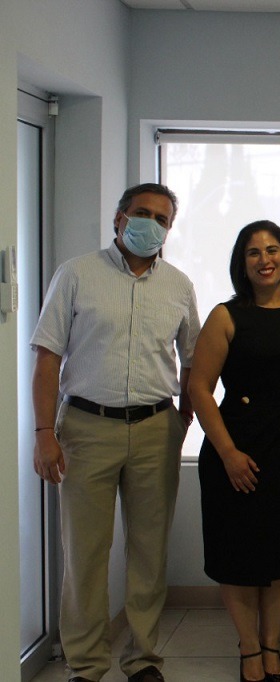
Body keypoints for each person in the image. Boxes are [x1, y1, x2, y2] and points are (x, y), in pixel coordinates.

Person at [30, 183, 199, 682]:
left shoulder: (179, 285)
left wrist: (182, 420)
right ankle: (86, 664)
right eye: (142, 213)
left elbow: (193, 362)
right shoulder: (76, 274)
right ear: (119, 218)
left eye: (162, 219)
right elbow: (47, 359)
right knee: (84, 554)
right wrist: (43, 433)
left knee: (149, 551)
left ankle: (143, 658)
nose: (151, 224)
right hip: (86, 428)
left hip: (155, 429)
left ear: (170, 229)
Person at [189, 220, 280, 682]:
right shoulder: (226, 315)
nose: (265, 259)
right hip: (234, 445)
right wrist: (228, 452)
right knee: (238, 554)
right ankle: (248, 651)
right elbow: (199, 388)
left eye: (273, 250)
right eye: (253, 252)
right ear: (241, 264)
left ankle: (271, 647)